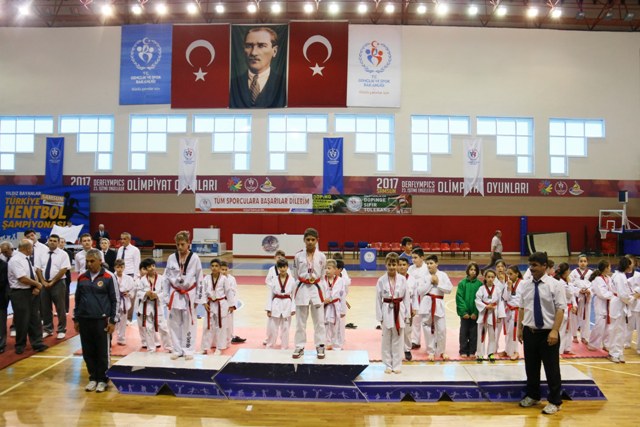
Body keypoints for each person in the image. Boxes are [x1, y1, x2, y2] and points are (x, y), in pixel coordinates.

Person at [517, 251, 566, 415]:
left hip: (548, 333)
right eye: (530, 265)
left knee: (552, 369)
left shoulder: (555, 285)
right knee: (531, 367)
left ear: (545, 266)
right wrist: (520, 329)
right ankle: (533, 395)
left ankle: (555, 401)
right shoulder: (525, 285)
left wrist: (555, 331)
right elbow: (522, 307)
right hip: (530, 331)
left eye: (535, 265)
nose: (531, 268)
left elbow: (560, 309)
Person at [73, 249, 117, 393]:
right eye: (87, 261)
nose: (89, 264)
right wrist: (76, 319)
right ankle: (93, 378)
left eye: (92, 261)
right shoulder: (82, 277)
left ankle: (103, 379)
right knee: (88, 351)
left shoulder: (109, 276)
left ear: (100, 261)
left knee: (102, 352)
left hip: (102, 320)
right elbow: (77, 299)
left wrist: (113, 321)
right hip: (84, 319)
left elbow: (115, 299)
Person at [163, 231, 202, 360]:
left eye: (182, 244)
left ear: (188, 244)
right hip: (175, 293)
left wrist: (198, 298)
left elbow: (200, 278)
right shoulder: (171, 258)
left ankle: (188, 350)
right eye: (178, 244)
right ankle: (177, 349)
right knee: (174, 323)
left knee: (189, 323)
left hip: (189, 294)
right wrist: (166, 296)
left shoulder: (195, 258)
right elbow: (166, 278)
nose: (180, 247)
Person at [291, 228, 327, 359]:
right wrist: (304, 280)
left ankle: (320, 346)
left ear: (317, 240)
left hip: (316, 288)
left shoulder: (322, 256)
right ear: (304, 240)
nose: (310, 242)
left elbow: (322, 275)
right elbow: (295, 274)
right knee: (300, 322)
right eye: (308, 239)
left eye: (313, 239)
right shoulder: (298, 256)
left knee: (319, 321)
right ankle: (299, 346)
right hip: (302, 288)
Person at [8, 239, 49, 355]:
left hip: (31, 291)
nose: (32, 250)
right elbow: (22, 278)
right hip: (20, 293)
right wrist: (38, 284)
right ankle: (20, 345)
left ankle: (37, 343)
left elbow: (33, 273)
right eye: (32, 247)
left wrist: (36, 287)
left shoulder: (26, 259)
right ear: (27, 248)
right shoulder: (15, 260)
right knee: (22, 319)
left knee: (35, 318)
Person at [230, 26, 286, 108]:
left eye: (261, 46)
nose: (253, 53)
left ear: (274, 51)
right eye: (249, 46)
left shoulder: (284, 85)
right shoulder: (231, 84)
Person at [375, 252, 410, 374]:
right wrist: (379, 316)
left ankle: (397, 364)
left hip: (399, 309)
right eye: (389, 264)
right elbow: (378, 299)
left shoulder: (403, 279)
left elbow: (406, 297)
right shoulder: (381, 280)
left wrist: (407, 315)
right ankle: (388, 365)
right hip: (386, 309)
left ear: (397, 265)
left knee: (398, 338)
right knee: (386, 339)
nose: (391, 267)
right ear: (385, 265)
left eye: (394, 264)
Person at [417, 254, 453, 361]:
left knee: (441, 329)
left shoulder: (443, 275)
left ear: (436, 264)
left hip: (438, 303)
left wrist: (438, 283)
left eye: (431, 263)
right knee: (427, 329)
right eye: (427, 263)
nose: (429, 265)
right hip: (426, 303)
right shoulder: (423, 276)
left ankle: (441, 351)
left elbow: (449, 289)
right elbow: (420, 291)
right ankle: (431, 351)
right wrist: (430, 282)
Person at [35, 234, 70, 340]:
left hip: (58, 283)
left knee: (60, 307)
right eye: (51, 240)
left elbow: (63, 270)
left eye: (55, 241)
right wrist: (42, 281)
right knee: (45, 307)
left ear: (58, 242)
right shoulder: (42, 253)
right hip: (44, 283)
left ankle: (61, 330)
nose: (52, 242)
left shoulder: (63, 254)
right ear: (48, 241)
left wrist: (53, 282)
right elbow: (38, 269)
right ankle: (47, 329)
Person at [136, 258, 172, 353]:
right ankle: (151, 349)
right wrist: (146, 293)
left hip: (158, 306)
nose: (152, 268)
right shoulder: (142, 280)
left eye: (153, 266)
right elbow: (138, 292)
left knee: (163, 328)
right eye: (149, 267)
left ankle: (169, 347)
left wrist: (157, 295)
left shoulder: (161, 278)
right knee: (148, 328)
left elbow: (165, 291)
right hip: (146, 306)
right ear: (145, 269)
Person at [265, 257, 295, 349]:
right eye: (280, 267)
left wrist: (293, 308)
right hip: (276, 303)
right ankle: (270, 345)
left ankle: (284, 346)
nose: (282, 269)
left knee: (286, 327)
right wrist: (269, 308)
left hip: (287, 304)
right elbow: (270, 294)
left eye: (284, 267)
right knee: (273, 327)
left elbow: (294, 295)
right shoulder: (274, 279)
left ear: (287, 267)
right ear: (278, 268)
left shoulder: (292, 280)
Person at [475, 269, 504, 362]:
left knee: (492, 335)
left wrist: (500, 316)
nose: (490, 279)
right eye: (488, 277)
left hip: (493, 314)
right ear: (485, 278)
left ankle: (491, 353)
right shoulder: (481, 289)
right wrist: (485, 306)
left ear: (494, 278)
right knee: (481, 334)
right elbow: (477, 300)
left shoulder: (497, 289)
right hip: (483, 314)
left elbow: (500, 303)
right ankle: (480, 354)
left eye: (492, 277)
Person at [609, 257, 634, 363]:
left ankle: (619, 352)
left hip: (620, 304)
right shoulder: (619, 277)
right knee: (615, 330)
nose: (632, 266)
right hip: (618, 303)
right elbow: (623, 294)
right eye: (630, 264)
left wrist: (631, 296)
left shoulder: (621, 275)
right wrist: (633, 298)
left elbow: (626, 292)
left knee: (621, 330)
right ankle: (613, 353)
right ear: (626, 265)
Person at [455, 261, 483, 359]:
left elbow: (480, 300)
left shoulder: (480, 285)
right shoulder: (462, 283)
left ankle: (472, 351)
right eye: (471, 269)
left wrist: (476, 312)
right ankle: (463, 350)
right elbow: (459, 298)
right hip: (465, 314)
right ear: (468, 271)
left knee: (473, 334)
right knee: (463, 332)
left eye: (475, 270)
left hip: (475, 314)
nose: (473, 271)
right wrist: (464, 312)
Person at [587, 260, 613, 352]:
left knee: (608, 327)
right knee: (599, 325)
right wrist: (613, 295)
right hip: (601, 305)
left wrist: (612, 294)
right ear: (605, 268)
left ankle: (606, 344)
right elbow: (602, 294)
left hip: (609, 305)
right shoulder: (597, 279)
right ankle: (592, 344)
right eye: (609, 267)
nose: (610, 268)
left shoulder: (608, 278)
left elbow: (612, 289)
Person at [322, 259, 347, 351]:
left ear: (335, 269)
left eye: (329, 268)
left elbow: (342, 296)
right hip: (324, 306)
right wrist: (322, 301)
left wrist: (343, 310)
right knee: (325, 325)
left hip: (336, 306)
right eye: (325, 268)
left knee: (336, 326)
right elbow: (318, 293)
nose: (327, 270)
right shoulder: (321, 280)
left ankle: (336, 345)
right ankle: (326, 344)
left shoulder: (340, 281)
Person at [554, 263, 578, 357]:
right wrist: (570, 283)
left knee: (568, 330)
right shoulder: (560, 282)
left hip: (570, 307)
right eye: (569, 270)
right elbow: (570, 293)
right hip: (563, 308)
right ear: (566, 271)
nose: (570, 271)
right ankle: (559, 351)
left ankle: (567, 348)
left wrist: (574, 305)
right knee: (562, 330)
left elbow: (572, 296)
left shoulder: (567, 281)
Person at [116, 232, 141, 323]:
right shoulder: (120, 249)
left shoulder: (135, 250)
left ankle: (129, 318)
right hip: (120, 275)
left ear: (129, 240)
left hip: (130, 276)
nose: (122, 241)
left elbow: (137, 264)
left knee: (130, 298)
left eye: (124, 239)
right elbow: (117, 262)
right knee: (119, 296)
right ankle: (119, 316)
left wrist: (135, 278)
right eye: (121, 239)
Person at [397, 257, 417, 361]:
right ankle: (397, 349)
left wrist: (415, 308)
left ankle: (407, 349)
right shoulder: (393, 278)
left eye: (404, 265)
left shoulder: (412, 280)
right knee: (396, 329)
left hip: (408, 307)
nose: (402, 267)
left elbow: (415, 295)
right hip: (397, 305)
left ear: (408, 266)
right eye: (400, 265)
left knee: (407, 330)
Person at [408, 247, 428, 349]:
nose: (413, 260)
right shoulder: (411, 269)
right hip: (413, 297)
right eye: (412, 258)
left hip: (425, 297)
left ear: (422, 257)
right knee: (415, 319)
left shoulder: (427, 268)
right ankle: (415, 341)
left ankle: (433, 342)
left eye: (415, 257)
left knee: (427, 321)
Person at [569, 254, 592, 345]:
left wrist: (588, 291)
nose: (583, 263)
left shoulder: (590, 273)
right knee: (574, 317)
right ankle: (574, 335)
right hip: (576, 298)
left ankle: (584, 337)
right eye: (581, 261)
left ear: (587, 262)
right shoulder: (573, 273)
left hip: (586, 298)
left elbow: (593, 285)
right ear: (578, 262)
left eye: (584, 261)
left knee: (586, 318)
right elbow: (570, 285)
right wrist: (578, 291)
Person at [221, 261, 245, 345]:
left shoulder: (231, 279)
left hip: (229, 303)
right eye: (222, 269)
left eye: (226, 269)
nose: (224, 271)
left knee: (229, 322)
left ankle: (230, 337)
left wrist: (233, 305)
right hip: (219, 302)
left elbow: (234, 292)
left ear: (228, 269)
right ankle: (219, 339)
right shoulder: (217, 278)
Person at [112, 259, 135, 346]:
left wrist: (129, 294)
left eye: (121, 267)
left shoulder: (129, 278)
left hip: (124, 301)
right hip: (114, 302)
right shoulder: (111, 277)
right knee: (113, 321)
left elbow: (133, 289)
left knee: (123, 321)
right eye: (118, 267)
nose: (120, 269)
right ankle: (109, 338)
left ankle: (121, 338)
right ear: (114, 267)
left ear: (124, 267)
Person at [503, 265, 523, 360]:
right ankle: (507, 350)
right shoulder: (507, 284)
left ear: (517, 274)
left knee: (513, 332)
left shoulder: (522, 283)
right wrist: (509, 288)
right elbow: (505, 298)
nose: (509, 276)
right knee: (508, 332)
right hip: (508, 310)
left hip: (517, 311)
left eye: (511, 274)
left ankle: (516, 352)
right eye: (508, 274)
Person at [0, 241, 13, 353]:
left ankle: (1, 343)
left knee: (1, 321)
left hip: (3, 295)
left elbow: (2, 281)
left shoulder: (3, 265)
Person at [58, 237, 74, 313]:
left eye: (62, 242)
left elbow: (68, 265)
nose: (61, 244)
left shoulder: (69, 252)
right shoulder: (54, 252)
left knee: (65, 293)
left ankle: (66, 309)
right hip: (55, 276)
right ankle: (58, 309)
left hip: (66, 276)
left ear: (64, 243)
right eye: (60, 242)